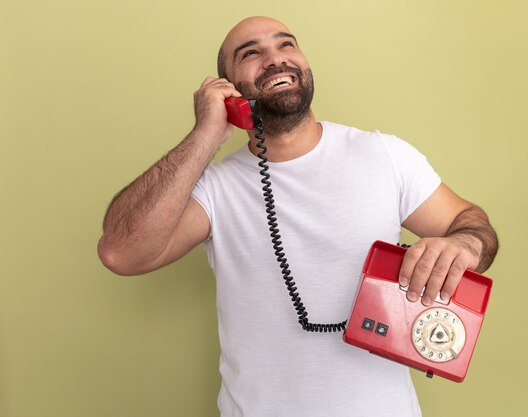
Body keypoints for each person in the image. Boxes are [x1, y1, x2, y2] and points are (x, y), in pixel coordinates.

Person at [97, 16, 498, 417]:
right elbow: (121, 252)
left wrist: (463, 244)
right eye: (251, 53)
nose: (274, 59)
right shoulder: (214, 189)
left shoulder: (385, 155)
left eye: (286, 45)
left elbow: (471, 223)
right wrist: (204, 134)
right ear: (229, 89)